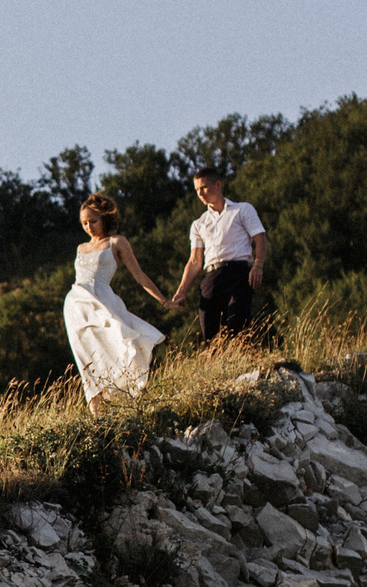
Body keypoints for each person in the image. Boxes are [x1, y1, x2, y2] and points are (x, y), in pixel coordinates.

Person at [64, 192, 171, 412]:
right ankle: (96, 408)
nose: (89, 227)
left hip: (103, 300)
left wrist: (163, 300)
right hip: (77, 304)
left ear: (104, 218)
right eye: (84, 223)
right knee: (86, 353)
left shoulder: (116, 242)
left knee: (121, 342)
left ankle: (132, 396)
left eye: (93, 221)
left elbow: (139, 275)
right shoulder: (80, 248)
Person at [169, 166, 268, 343]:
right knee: (210, 332)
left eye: (204, 187)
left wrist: (258, 265)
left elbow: (260, 238)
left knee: (236, 324)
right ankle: (217, 367)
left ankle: (243, 362)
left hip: (239, 274)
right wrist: (181, 291)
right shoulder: (199, 223)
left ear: (218, 185)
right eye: (197, 190)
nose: (200, 193)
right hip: (212, 277)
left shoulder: (242, 210)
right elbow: (194, 261)